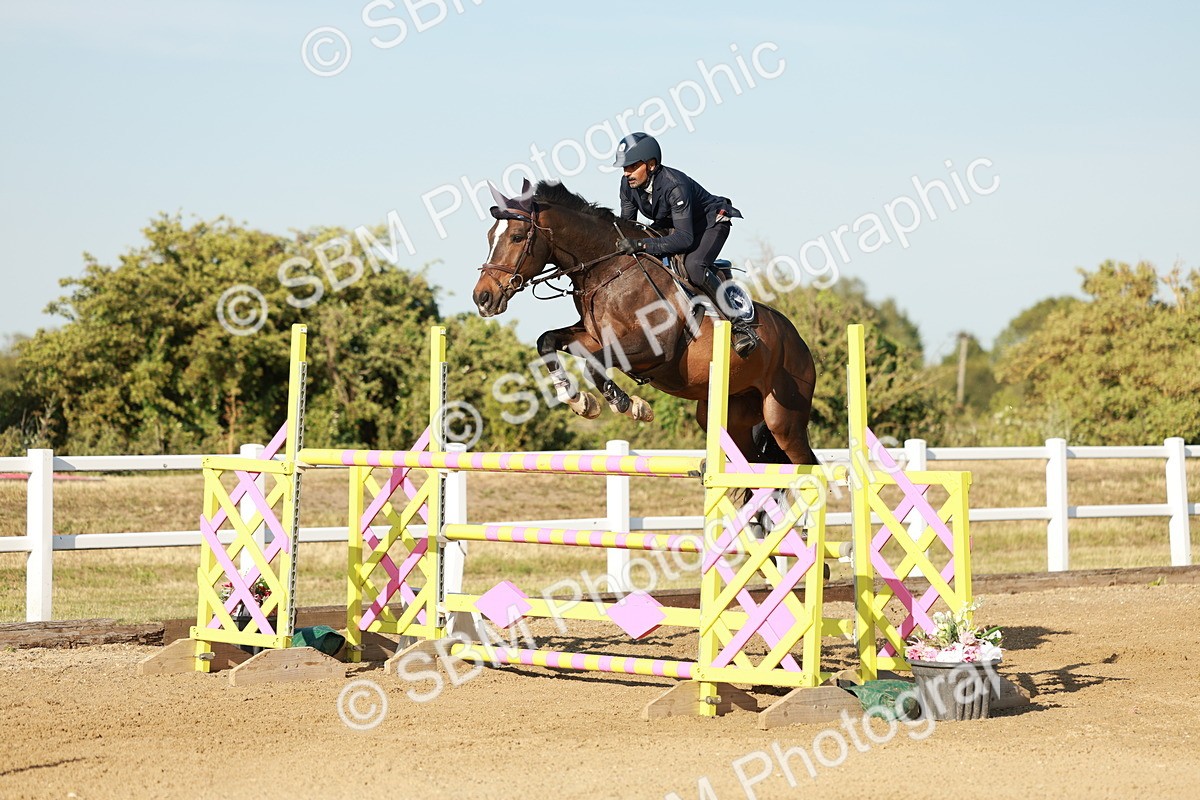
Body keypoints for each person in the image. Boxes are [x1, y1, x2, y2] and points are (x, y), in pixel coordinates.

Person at [613, 132, 759, 357]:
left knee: (694, 266)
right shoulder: (627, 185)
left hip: (711, 222)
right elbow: (628, 226)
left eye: (632, 166)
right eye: (624, 168)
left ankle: (740, 325)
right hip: (676, 224)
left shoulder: (674, 185)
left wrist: (642, 245)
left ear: (651, 164)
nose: (626, 173)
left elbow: (684, 239)